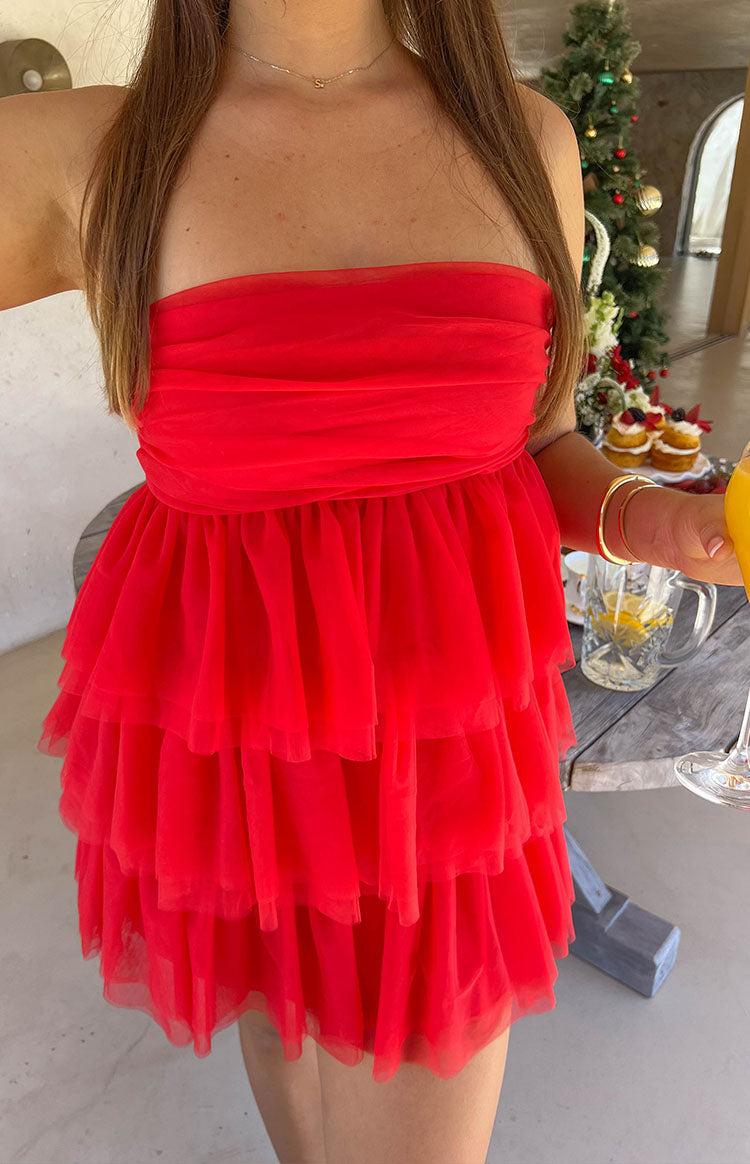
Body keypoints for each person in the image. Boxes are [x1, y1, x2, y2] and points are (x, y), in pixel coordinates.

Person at [2, 1, 741, 1161]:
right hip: (229, 729)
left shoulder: (523, 138)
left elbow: (540, 440)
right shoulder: (89, 150)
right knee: (284, 1026)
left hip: (442, 749)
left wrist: (655, 522)